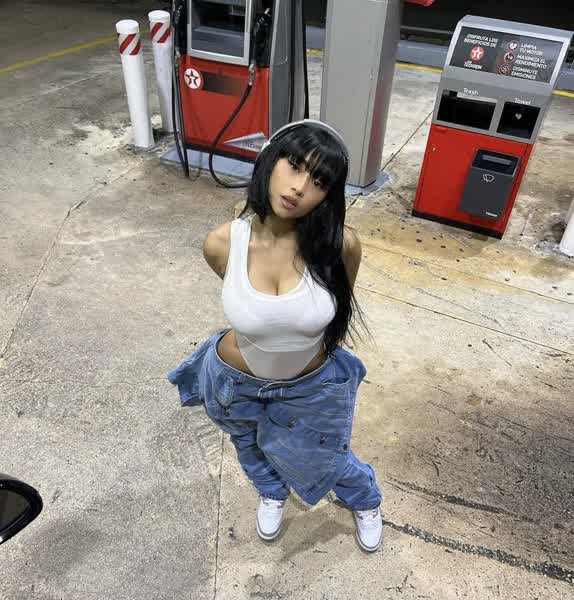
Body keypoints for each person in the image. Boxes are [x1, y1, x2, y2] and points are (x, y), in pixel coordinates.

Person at [168, 120, 383, 552]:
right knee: (249, 446)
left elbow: (336, 311)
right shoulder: (222, 243)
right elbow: (256, 315)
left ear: (329, 194)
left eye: (319, 181)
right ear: (270, 159)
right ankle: (271, 491)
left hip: (309, 385)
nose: (299, 187)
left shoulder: (340, 246)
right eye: (294, 166)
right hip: (233, 380)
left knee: (327, 455)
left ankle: (365, 500)